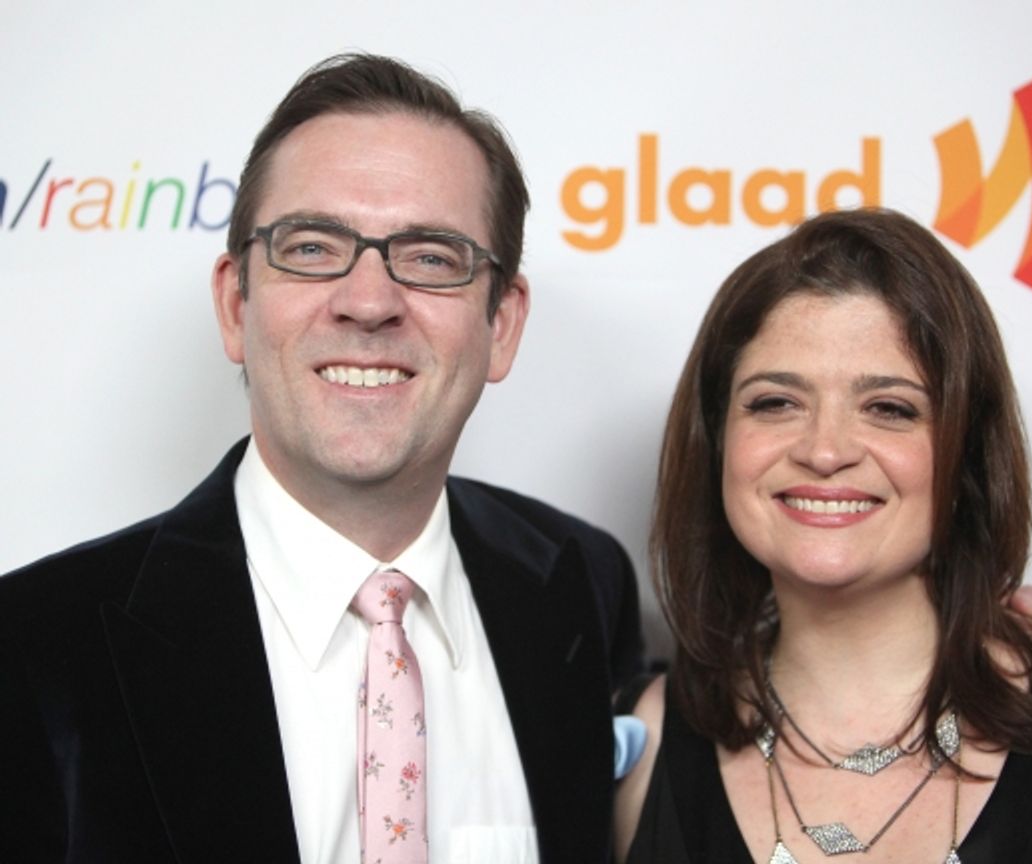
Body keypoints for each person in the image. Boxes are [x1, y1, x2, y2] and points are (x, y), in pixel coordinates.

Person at [0, 54, 644, 863]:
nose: (369, 301)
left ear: (502, 324)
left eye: (432, 257)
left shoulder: (582, 583)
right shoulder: (31, 650)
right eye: (311, 248)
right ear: (237, 305)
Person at [614, 208, 1032, 863]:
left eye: (889, 408)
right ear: (717, 438)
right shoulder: (648, 740)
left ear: (966, 456)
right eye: (775, 402)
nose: (825, 450)